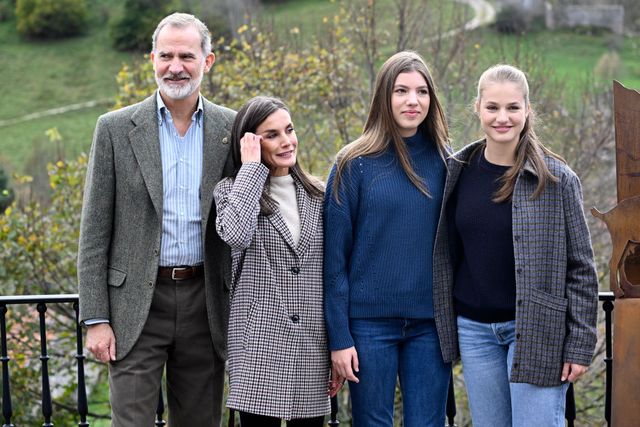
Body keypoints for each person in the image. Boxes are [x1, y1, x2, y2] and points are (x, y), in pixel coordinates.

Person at [77, 12, 235, 427]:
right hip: (133, 308)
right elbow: (94, 232)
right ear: (151, 59)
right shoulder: (113, 129)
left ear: (208, 60)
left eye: (187, 55)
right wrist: (96, 319)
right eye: (166, 55)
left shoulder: (231, 128)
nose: (176, 66)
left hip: (207, 304)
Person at [443, 64, 598, 426]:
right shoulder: (457, 171)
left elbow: (582, 269)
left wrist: (579, 343)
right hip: (475, 332)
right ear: (477, 107)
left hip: (536, 329)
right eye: (493, 107)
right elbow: (446, 254)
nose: (502, 117)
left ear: (527, 110)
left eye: (513, 107)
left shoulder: (558, 180)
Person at [323, 51, 455, 427]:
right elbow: (334, 263)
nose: (413, 101)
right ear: (385, 96)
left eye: (422, 91)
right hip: (368, 327)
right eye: (401, 90)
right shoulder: (353, 163)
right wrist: (339, 337)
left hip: (430, 326)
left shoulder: (448, 163)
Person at [214, 96, 338, 427]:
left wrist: (336, 347)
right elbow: (235, 235)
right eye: (272, 135)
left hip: (312, 347)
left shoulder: (320, 194)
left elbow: (332, 271)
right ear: (251, 143)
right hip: (258, 347)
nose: (286, 141)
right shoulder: (231, 191)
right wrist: (252, 169)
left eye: (289, 129)